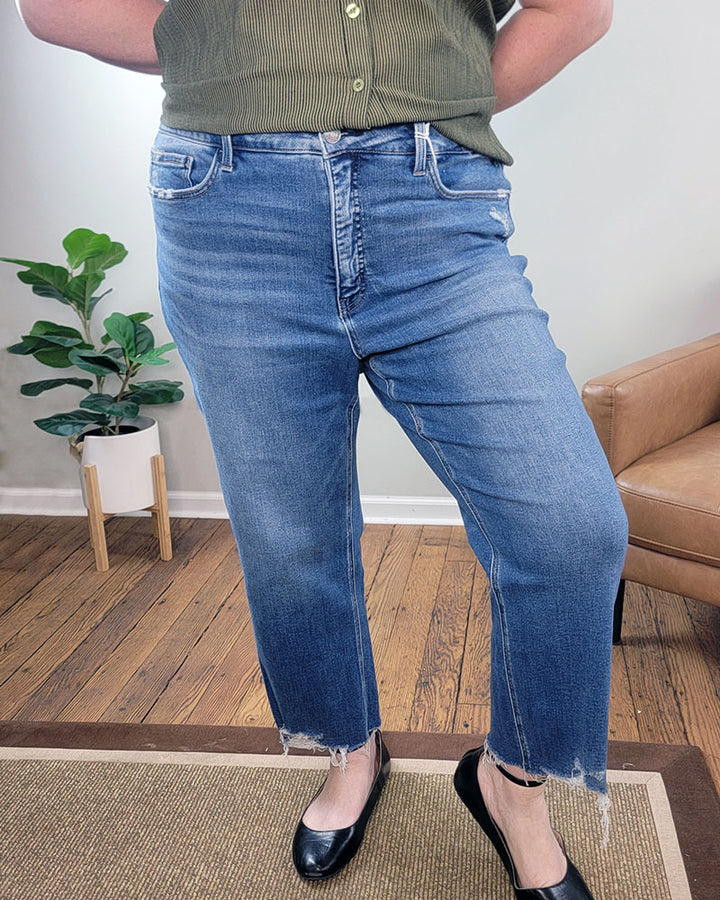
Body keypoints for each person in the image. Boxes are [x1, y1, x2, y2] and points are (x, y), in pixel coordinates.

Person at [18, 1, 627, 897]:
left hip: (434, 202)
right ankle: (349, 751)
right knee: (290, 534)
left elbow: (575, 9)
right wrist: (228, 55)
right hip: (227, 207)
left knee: (572, 528)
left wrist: (426, 98)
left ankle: (513, 786)